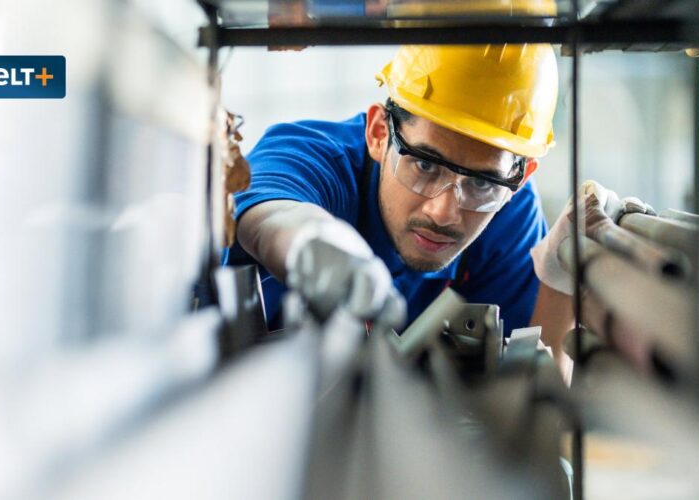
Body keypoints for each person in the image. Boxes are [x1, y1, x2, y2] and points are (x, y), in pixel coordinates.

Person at [223, 43, 641, 382]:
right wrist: (314, 243)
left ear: (521, 174)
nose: (445, 213)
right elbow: (267, 216)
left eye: (480, 182)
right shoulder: (315, 157)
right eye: (424, 164)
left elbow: (531, 405)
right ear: (378, 132)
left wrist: (560, 283)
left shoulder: (508, 215)